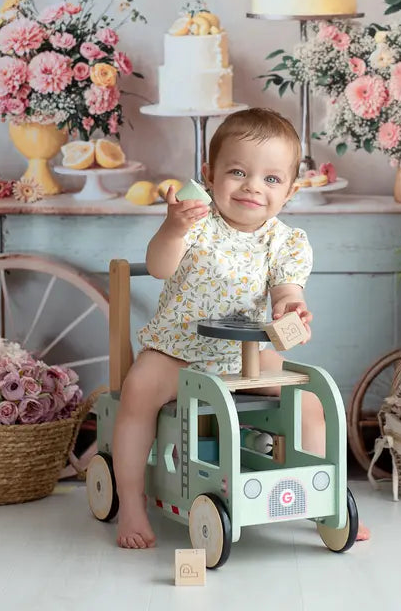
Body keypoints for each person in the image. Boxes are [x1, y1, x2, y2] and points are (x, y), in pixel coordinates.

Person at [111, 107, 362, 549]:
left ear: (290, 190)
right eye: (238, 171)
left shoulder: (285, 241)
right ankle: (131, 503)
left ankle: (326, 499)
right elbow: (159, 267)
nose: (252, 187)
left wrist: (293, 311)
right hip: (178, 350)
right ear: (209, 174)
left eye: (271, 179)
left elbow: (287, 292)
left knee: (308, 400)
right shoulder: (195, 221)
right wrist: (171, 228)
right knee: (138, 393)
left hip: (245, 355)